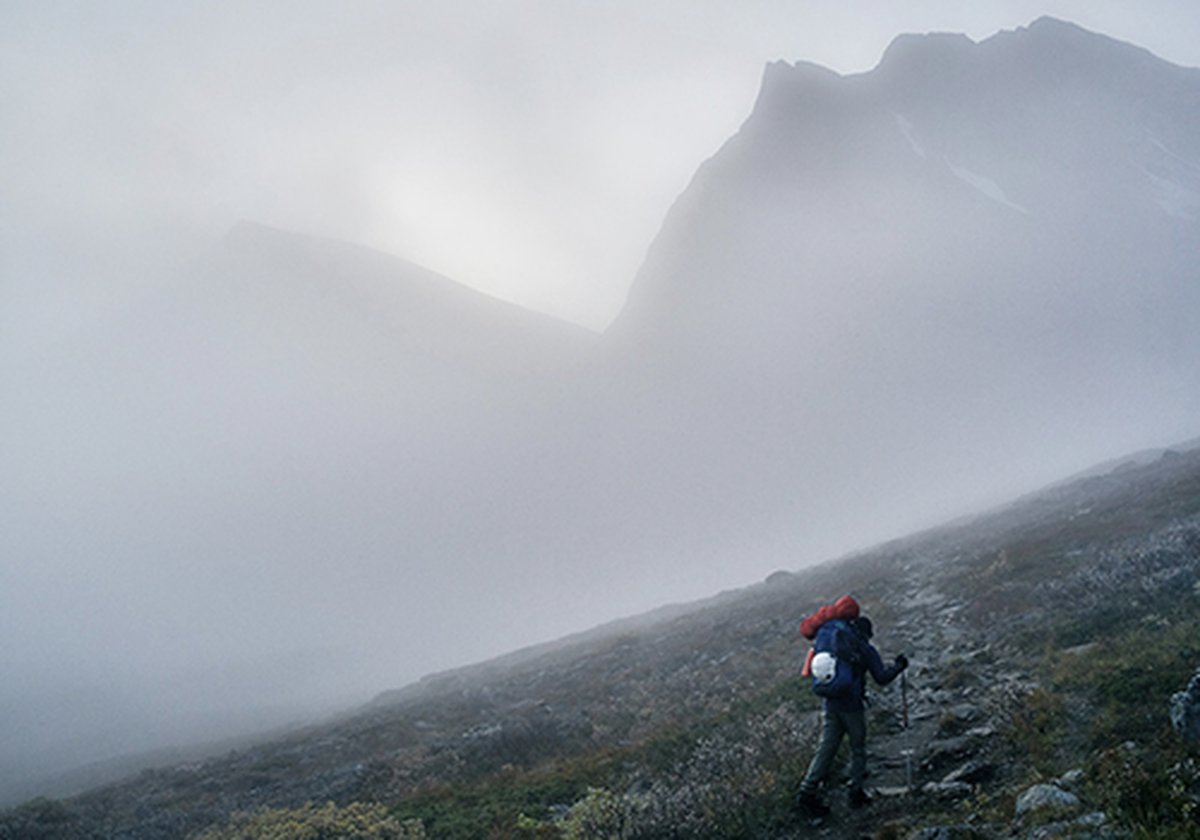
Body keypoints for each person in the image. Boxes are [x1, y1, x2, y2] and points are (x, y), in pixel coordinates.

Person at [797, 614, 908, 816]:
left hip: (830, 705)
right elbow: (881, 678)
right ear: (866, 633)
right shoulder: (864, 648)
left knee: (826, 748)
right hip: (852, 707)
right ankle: (855, 793)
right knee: (858, 747)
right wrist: (899, 667)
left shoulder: (834, 642)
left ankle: (807, 792)